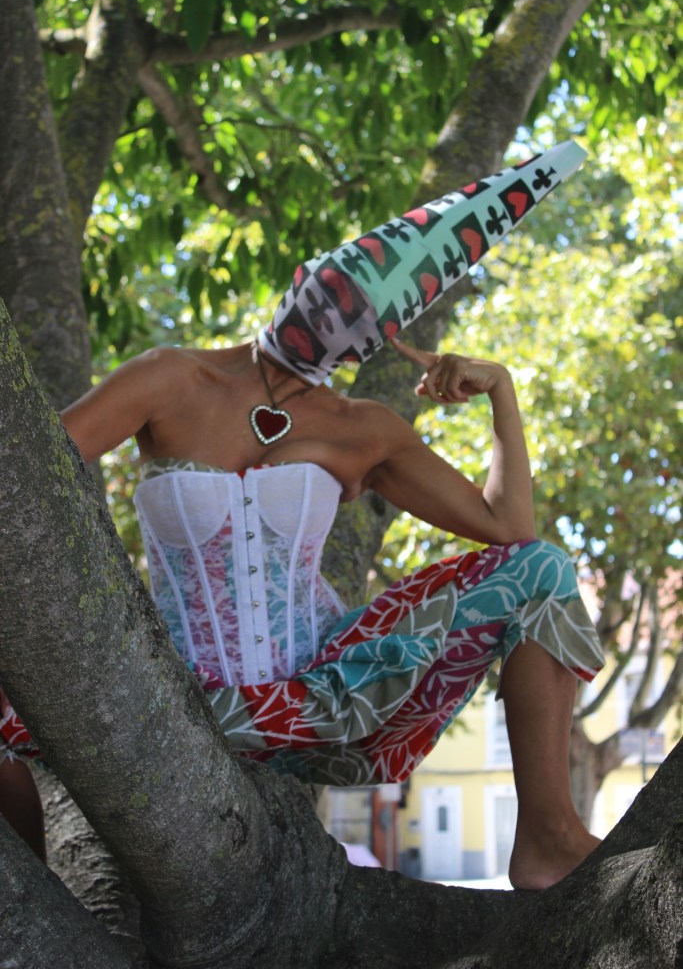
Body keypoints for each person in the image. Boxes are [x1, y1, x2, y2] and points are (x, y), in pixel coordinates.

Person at [0, 143, 605, 889]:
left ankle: (546, 836)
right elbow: (25, 476)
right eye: (334, 286)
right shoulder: (170, 378)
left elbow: (510, 533)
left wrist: (500, 392)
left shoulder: (362, 428)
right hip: (172, 702)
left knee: (542, 569)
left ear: (377, 342)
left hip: (322, 700)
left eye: (363, 313)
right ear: (300, 275)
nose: (336, 312)